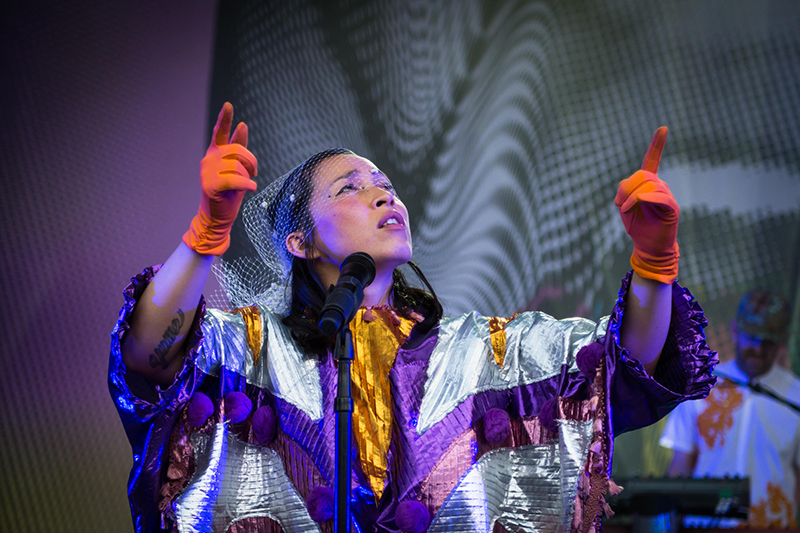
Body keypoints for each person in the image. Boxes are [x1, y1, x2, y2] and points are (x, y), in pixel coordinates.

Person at [109, 103, 717, 533]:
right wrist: (206, 234)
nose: (384, 194)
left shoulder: (480, 354)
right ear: (300, 242)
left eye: (385, 184)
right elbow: (149, 355)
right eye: (349, 188)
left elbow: (622, 369)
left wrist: (653, 263)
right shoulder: (251, 348)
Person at [661, 290, 798, 529]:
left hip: (772, 526)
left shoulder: (795, 396)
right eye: (751, 336)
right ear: (735, 331)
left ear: (782, 341)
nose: (758, 347)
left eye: (768, 340)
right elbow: (680, 467)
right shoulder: (702, 386)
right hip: (703, 526)